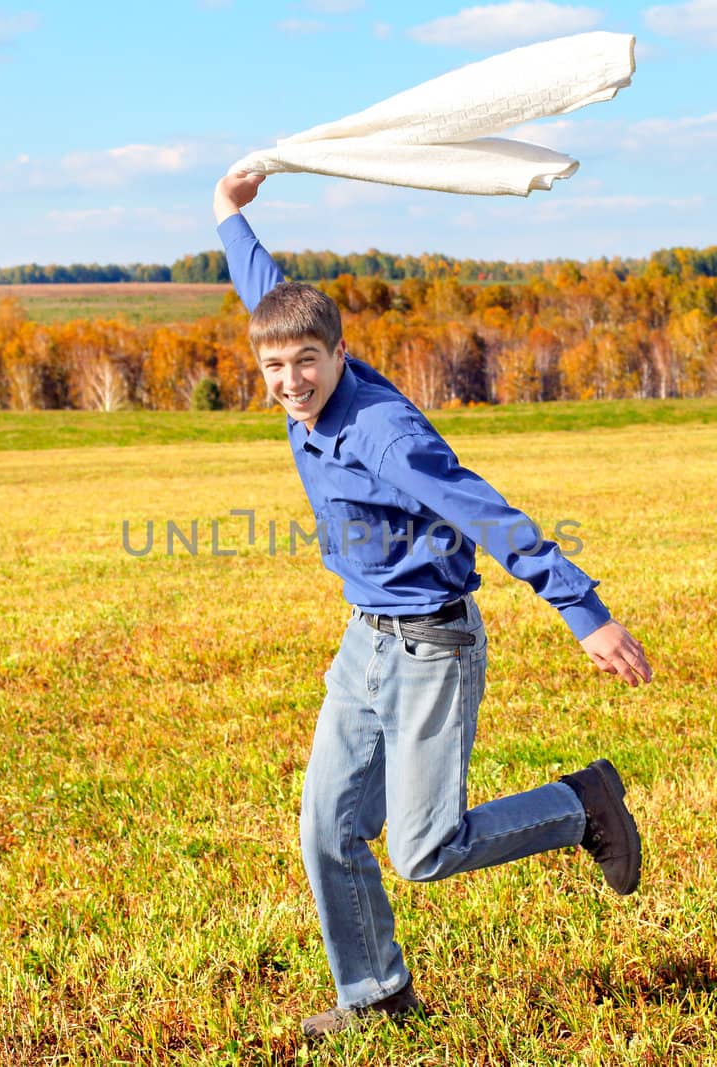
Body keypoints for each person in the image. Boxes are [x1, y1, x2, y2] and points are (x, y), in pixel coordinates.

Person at [212, 172, 654, 1039]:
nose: (291, 381)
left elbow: (489, 512)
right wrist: (230, 213)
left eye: (308, 362)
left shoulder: (384, 435)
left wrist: (585, 612)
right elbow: (268, 293)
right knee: (328, 831)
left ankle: (582, 804)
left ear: (340, 354)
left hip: (432, 646)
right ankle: (376, 997)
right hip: (365, 642)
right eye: (274, 366)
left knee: (421, 851)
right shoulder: (296, 364)